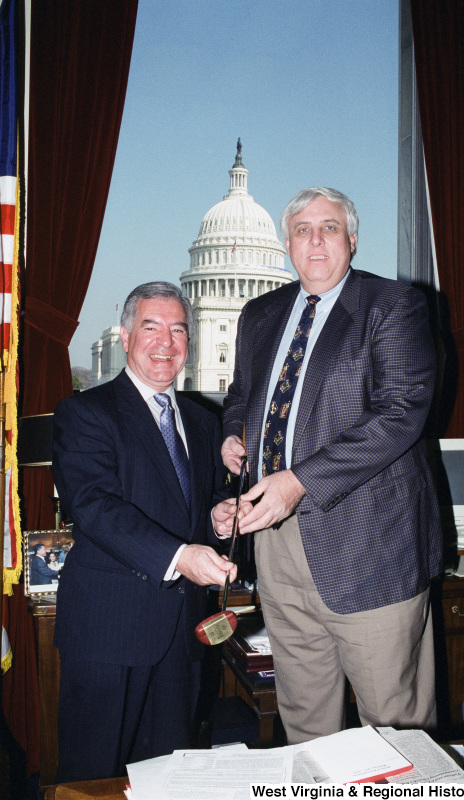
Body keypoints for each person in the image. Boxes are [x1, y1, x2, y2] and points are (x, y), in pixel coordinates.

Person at [213, 187, 443, 744]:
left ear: (352, 239)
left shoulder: (391, 305)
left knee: (394, 730)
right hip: (279, 549)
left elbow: (400, 415)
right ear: (287, 243)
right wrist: (232, 436)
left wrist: (298, 482)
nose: (315, 240)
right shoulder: (260, 313)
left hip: (371, 547)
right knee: (304, 717)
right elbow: (243, 396)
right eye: (302, 229)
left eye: (330, 227)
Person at [53, 281, 236, 782]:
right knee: (93, 776)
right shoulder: (85, 412)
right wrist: (181, 556)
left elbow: (192, 509)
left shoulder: (202, 423)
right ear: (125, 334)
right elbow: (93, 507)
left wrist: (219, 519)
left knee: (169, 776)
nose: (166, 342)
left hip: (182, 635)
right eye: (151, 327)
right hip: (108, 631)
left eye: (178, 330)